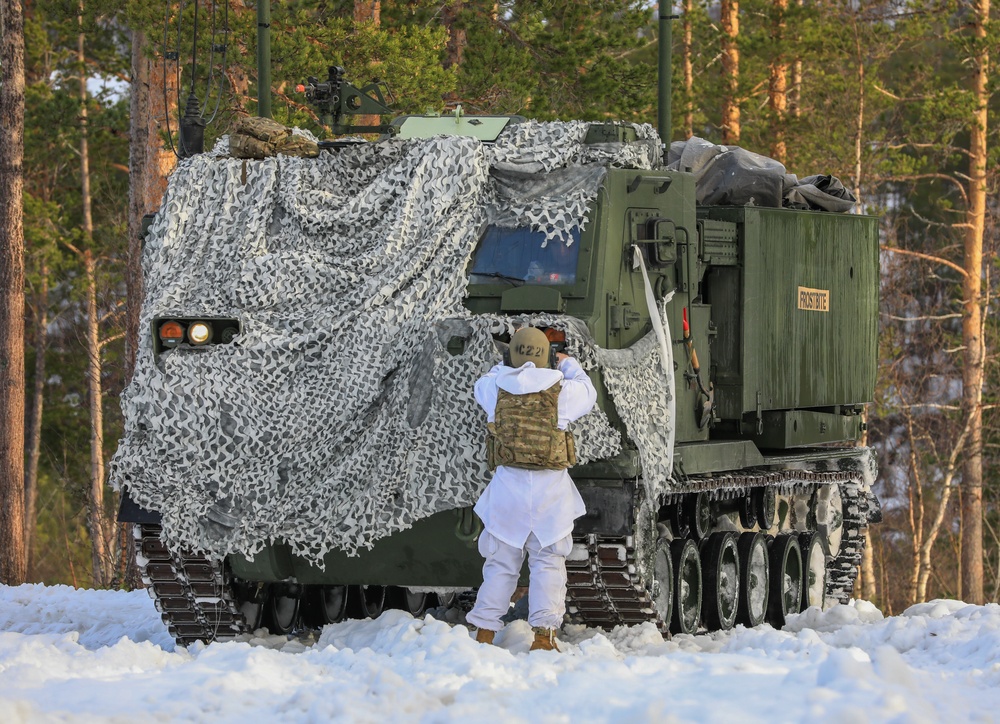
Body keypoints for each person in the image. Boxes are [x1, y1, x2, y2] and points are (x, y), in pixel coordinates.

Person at [466, 326, 597, 652]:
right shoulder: (562, 392)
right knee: (548, 566)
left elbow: (480, 384)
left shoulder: (495, 388)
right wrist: (567, 363)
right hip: (549, 500)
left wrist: (505, 365)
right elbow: (588, 392)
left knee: (499, 567)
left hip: (506, 496)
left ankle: (483, 633)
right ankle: (543, 636)